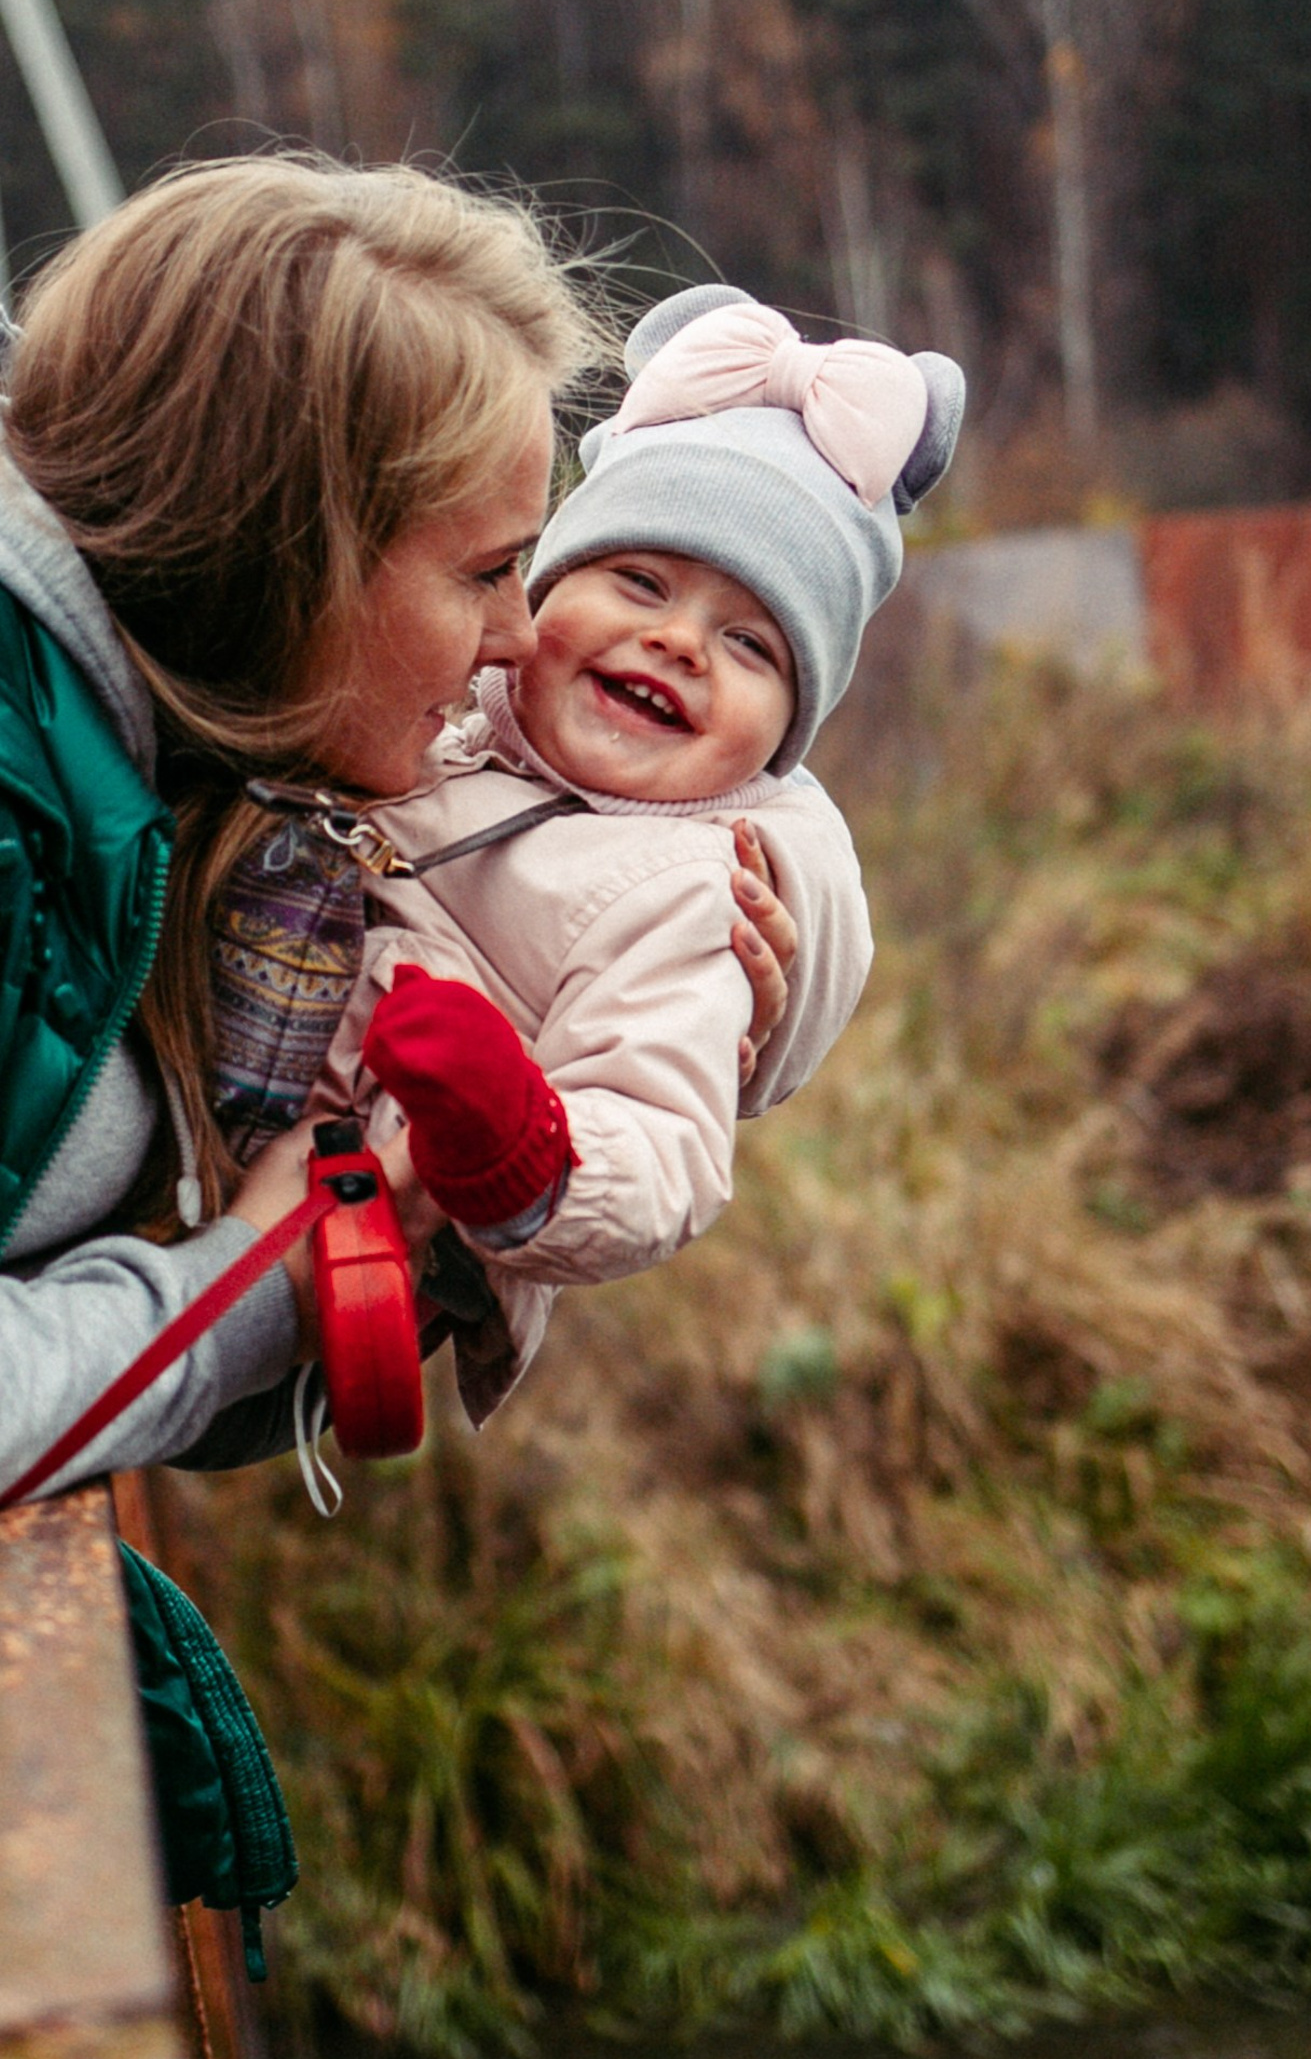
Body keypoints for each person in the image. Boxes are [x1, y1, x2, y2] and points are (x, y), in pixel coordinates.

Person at [0, 157, 798, 2059]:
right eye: (482, 572)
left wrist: (711, 1005)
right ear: (287, 553)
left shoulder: (101, 742)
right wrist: (257, 1282)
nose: (505, 650)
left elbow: (144, 1232)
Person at [296, 283, 962, 1442]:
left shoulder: (696, 890)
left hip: (398, 1189)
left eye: (749, 642)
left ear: (785, 737)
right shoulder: (444, 700)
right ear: (534, 589)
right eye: (639, 582)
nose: (676, 642)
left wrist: (513, 1151)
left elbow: (660, 1135)